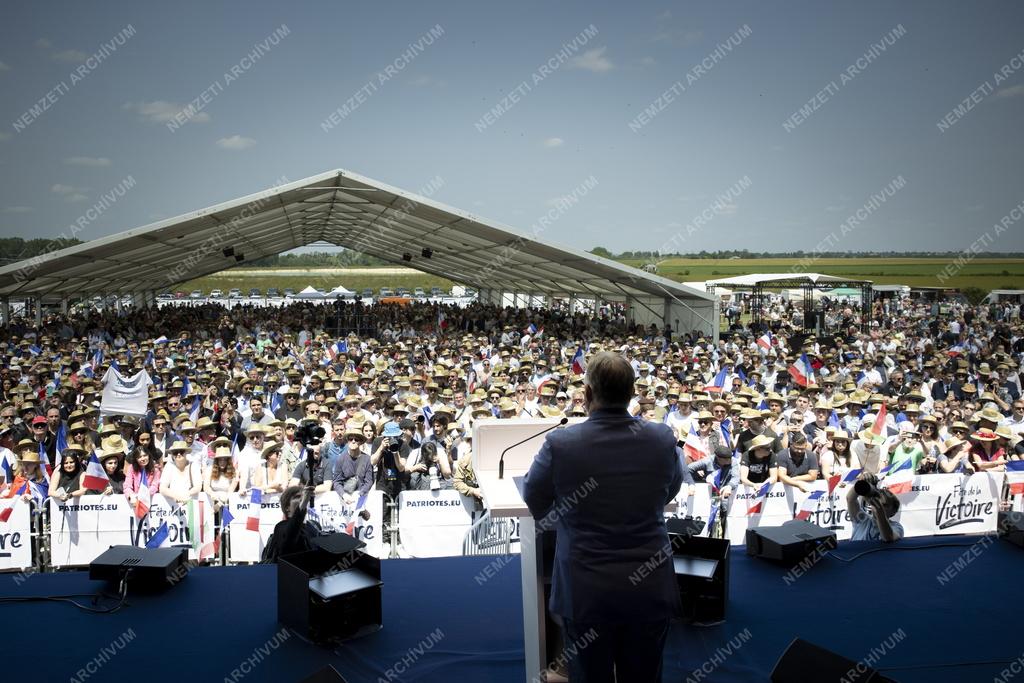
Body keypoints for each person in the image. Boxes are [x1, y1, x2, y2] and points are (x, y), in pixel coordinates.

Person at [523, 351, 682, 683]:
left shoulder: (561, 442)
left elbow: (534, 497)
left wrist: (567, 522)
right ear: (631, 394)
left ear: (588, 394)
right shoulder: (661, 438)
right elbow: (671, 489)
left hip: (586, 591)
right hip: (649, 589)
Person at [261, 484, 316, 563]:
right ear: (287, 507)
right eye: (297, 497)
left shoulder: (312, 527)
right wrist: (303, 503)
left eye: (303, 496)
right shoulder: (281, 527)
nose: (302, 499)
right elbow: (290, 537)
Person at [846, 473, 903, 542]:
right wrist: (862, 482)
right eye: (878, 502)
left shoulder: (896, 526)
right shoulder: (863, 520)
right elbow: (850, 499)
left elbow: (889, 537)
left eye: (884, 505)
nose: (880, 506)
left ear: (893, 511)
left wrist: (879, 511)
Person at [331, 425, 375, 500]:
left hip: (362, 497)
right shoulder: (341, 459)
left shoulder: (367, 459)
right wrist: (343, 495)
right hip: (345, 497)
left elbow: (369, 481)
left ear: (360, 442)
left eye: (356, 439)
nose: (353, 441)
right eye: (351, 439)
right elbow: (337, 481)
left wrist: (360, 494)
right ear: (347, 441)